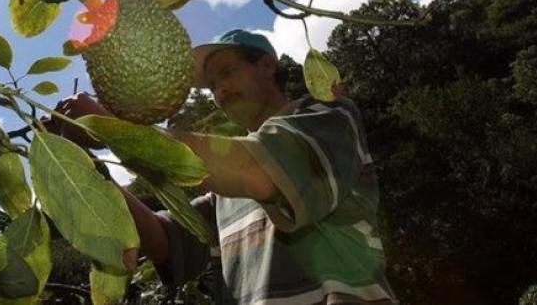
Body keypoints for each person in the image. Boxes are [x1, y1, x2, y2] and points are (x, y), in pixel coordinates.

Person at [52, 29, 397, 305]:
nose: (220, 91)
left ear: (266, 66)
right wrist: (81, 164)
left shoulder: (327, 117)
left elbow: (257, 173)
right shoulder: (225, 190)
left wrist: (113, 127)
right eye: (213, 85)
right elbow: (165, 241)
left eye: (227, 72)